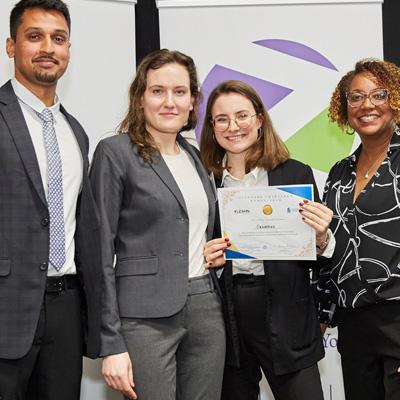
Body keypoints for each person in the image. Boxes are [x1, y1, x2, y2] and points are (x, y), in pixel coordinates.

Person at [89, 49, 225, 400]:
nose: (169, 102)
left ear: (193, 102)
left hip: (205, 309)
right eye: (157, 91)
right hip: (143, 319)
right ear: (140, 99)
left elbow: (194, 231)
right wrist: (111, 343)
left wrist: (214, 252)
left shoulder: (197, 157)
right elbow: (98, 251)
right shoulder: (115, 153)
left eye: (180, 92)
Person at [200, 80, 334, 400]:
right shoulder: (204, 182)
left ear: (259, 120)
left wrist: (320, 236)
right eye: (222, 119)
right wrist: (209, 260)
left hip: (288, 317)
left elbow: (321, 257)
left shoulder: (294, 175)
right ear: (212, 126)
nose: (233, 126)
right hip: (227, 321)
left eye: (242, 115)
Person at [0, 1, 102, 399]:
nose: (48, 47)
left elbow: (84, 227)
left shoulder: (75, 131)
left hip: (66, 311)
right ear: (11, 46)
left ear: (69, 51)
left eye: (58, 38)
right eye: (34, 36)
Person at [317, 58, 400, 400]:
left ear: (394, 101)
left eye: (378, 95)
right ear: (344, 107)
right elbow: (330, 250)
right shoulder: (338, 173)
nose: (366, 105)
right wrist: (322, 312)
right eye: (355, 97)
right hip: (353, 324)